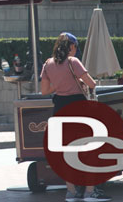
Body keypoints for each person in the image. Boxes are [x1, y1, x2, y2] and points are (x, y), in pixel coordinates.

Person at [40, 32, 110, 202]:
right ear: (71, 47)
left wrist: (60, 85)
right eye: (75, 46)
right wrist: (77, 84)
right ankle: (89, 191)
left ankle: (71, 191)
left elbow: (45, 91)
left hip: (60, 109)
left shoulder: (48, 64)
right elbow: (92, 83)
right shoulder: (73, 62)